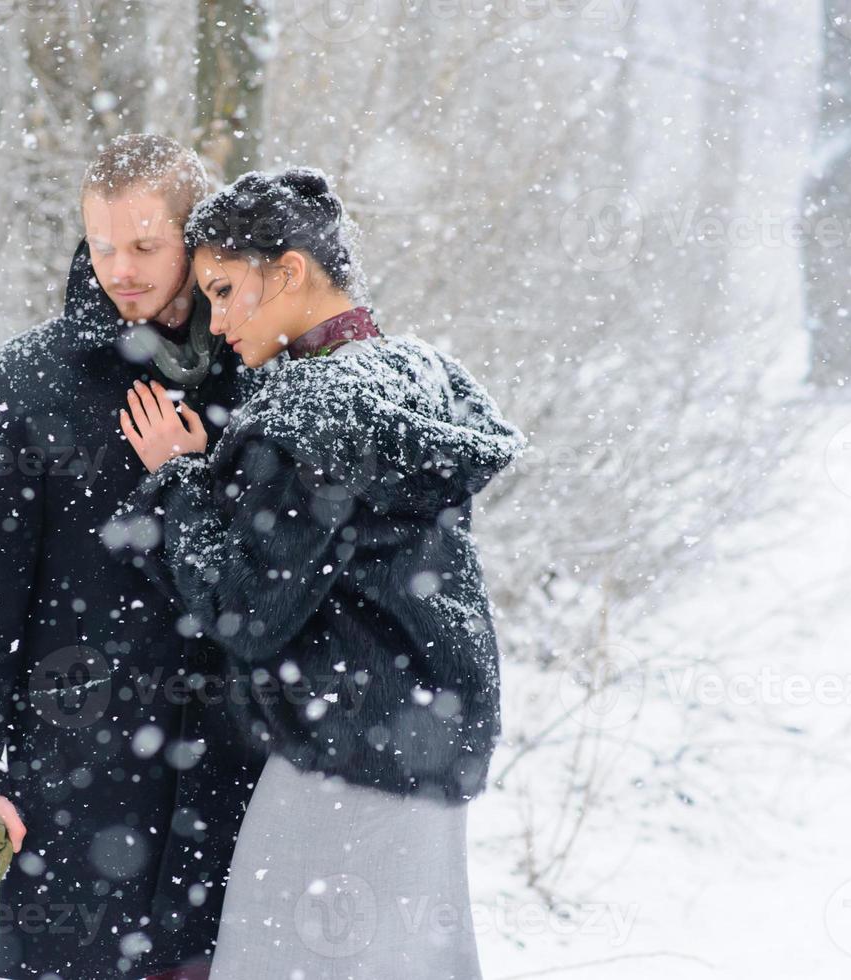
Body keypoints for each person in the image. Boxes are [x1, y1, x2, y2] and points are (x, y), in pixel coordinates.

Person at [104, 166, 528, 978]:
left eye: (225, 291)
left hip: (343, 752)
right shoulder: (414, 378)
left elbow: (245, 611)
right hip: (424, 742)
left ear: (289, 271)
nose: (217, 320)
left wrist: (179, 479)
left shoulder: (312, 413)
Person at [0, 134, 269, 980]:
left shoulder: (258, 369)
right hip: (77, 775)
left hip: (231, 773)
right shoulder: (27, 379)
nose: (121, 266)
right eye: (103, 243)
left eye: (147, 245)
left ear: (196, 239)